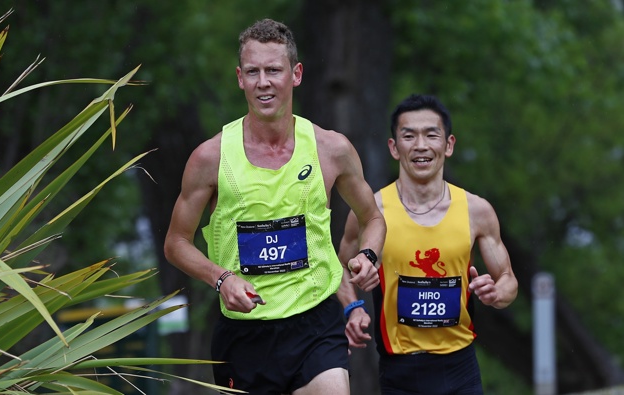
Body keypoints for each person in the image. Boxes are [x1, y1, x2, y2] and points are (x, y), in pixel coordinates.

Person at [163, 18, 386, 395]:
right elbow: (175, 243)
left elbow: (373, 218)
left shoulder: (331, 149)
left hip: (315, 322)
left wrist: (368, 254)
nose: (263, 82)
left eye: (273, 70)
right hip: (246, 333)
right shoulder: (210, 157)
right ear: (239, 78)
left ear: (296, 74)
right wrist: (221, 279)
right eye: (253, 72)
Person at [336, 94, 519, 395]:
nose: (421, 145)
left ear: (448, 145)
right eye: (409, 136)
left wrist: (497, 293)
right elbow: (339, 266)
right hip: (400, 371)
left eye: (431, 134)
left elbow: (509, 281)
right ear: (394, 148)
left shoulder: (477, 211)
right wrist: (353, 308)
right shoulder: (371, 212)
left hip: (460, 367)